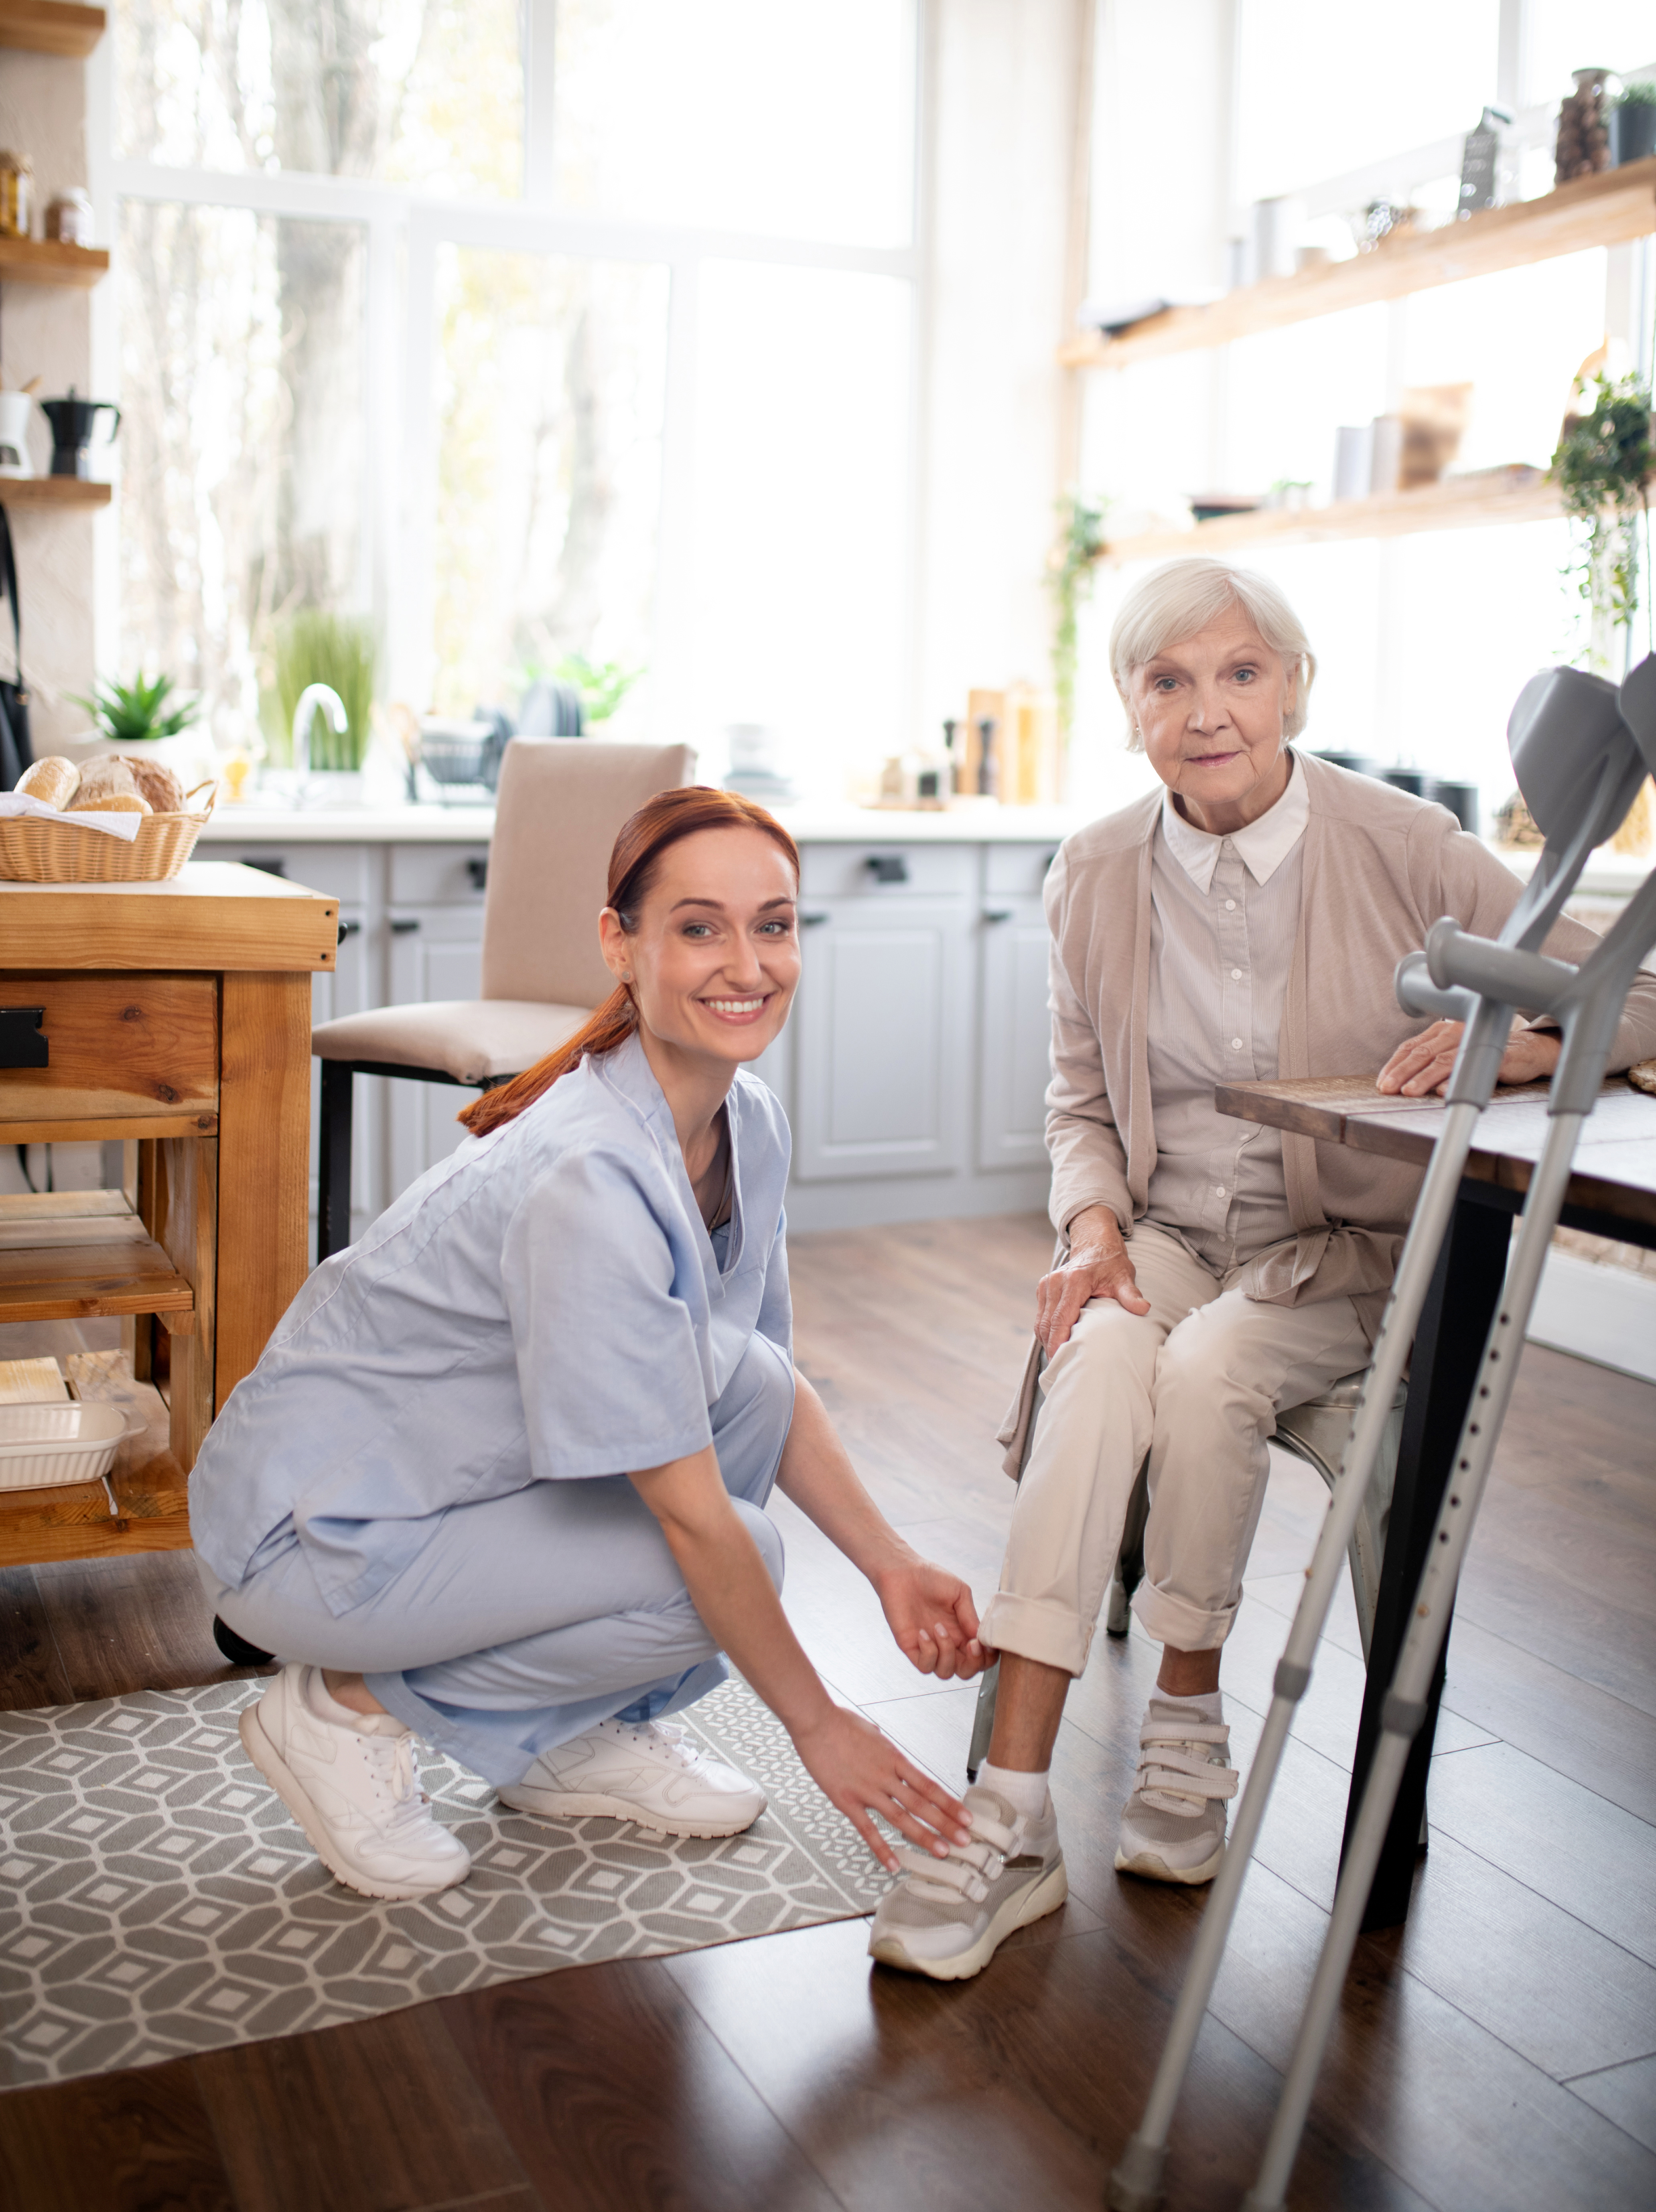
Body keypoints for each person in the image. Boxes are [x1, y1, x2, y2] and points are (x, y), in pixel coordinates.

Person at [868, 556, 1656, 1982]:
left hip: (1344, 1255)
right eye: (1167, 680)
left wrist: (1538, 1041)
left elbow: (1638, 991)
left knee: (1213, 1361)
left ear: (1296, 687)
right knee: (1105, 1350)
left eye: (1241, 673)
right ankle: (1013, 1811)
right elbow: (1077, 1102)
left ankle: (1186, 1720)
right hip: (1166, 1236)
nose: (1208, 709)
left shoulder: (1409, 844)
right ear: (1129, 708)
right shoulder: (1096, 868)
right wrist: (1092, 1231)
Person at [191, 786, 990, 1904]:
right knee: (734, 1556)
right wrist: (821, 1725)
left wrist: (893, 1565)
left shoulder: (743, 1122)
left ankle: (571, 1732)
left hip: (446, 1490)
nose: (746, 964)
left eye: (773, 924)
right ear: (621, 945)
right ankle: (339, 1714)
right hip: (311, 1536)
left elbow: (768, 1381)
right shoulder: (586, 1178)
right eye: (699, 927)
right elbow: (693, 1517)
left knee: (749, 1387)